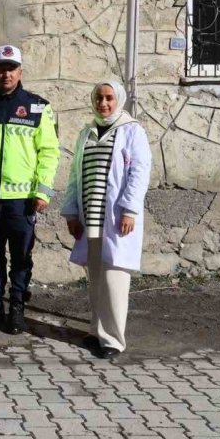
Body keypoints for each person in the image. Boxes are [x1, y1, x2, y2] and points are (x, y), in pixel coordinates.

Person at [0, 45, 60, 334]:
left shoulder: (38, 106)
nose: (6, 73)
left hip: (22, 200)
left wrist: (42, 192)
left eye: (12, 68)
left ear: (20, 72)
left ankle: (17, 306)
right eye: (1, 68)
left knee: (21, 256)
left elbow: (49, 152)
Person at [61, 81, 151, 361]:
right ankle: (97, 331)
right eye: (99, 98)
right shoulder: (86, 133)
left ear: (119, 99)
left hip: (115, 218)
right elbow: (76, 175)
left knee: (114, 279)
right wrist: (72, 212)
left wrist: (129, 210)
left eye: (109, 98)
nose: (103, 103)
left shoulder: (131, 130)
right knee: (96, 278)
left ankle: (113, 339)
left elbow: (139, 172)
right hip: (92, 218)